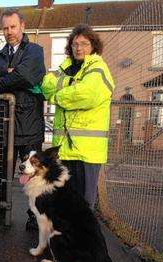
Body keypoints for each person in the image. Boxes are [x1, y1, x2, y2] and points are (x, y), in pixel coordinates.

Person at [0, 8, 46, 220]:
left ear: (22, 26)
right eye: (5, 28)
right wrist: (5, 73)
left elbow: (27, 76)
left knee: (34, 174)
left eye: (13, 27)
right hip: (3, 124)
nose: (9, 32)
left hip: (29, 126)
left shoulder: (35, 50)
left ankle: (35, 216)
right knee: (1, 171)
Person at [41, 23, 115, 211]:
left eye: (84, 43)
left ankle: (83, 240)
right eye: (75, 44)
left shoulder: (98, 68)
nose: (79, 48)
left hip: (86, 152)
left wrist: (58, 96)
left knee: (82, 205)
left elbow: (87, 94)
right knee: (65, 202)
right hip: (65, 149)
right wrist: (71, 82)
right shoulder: (67, 67)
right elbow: (46, 85)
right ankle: (69, 238)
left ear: (93, 46)